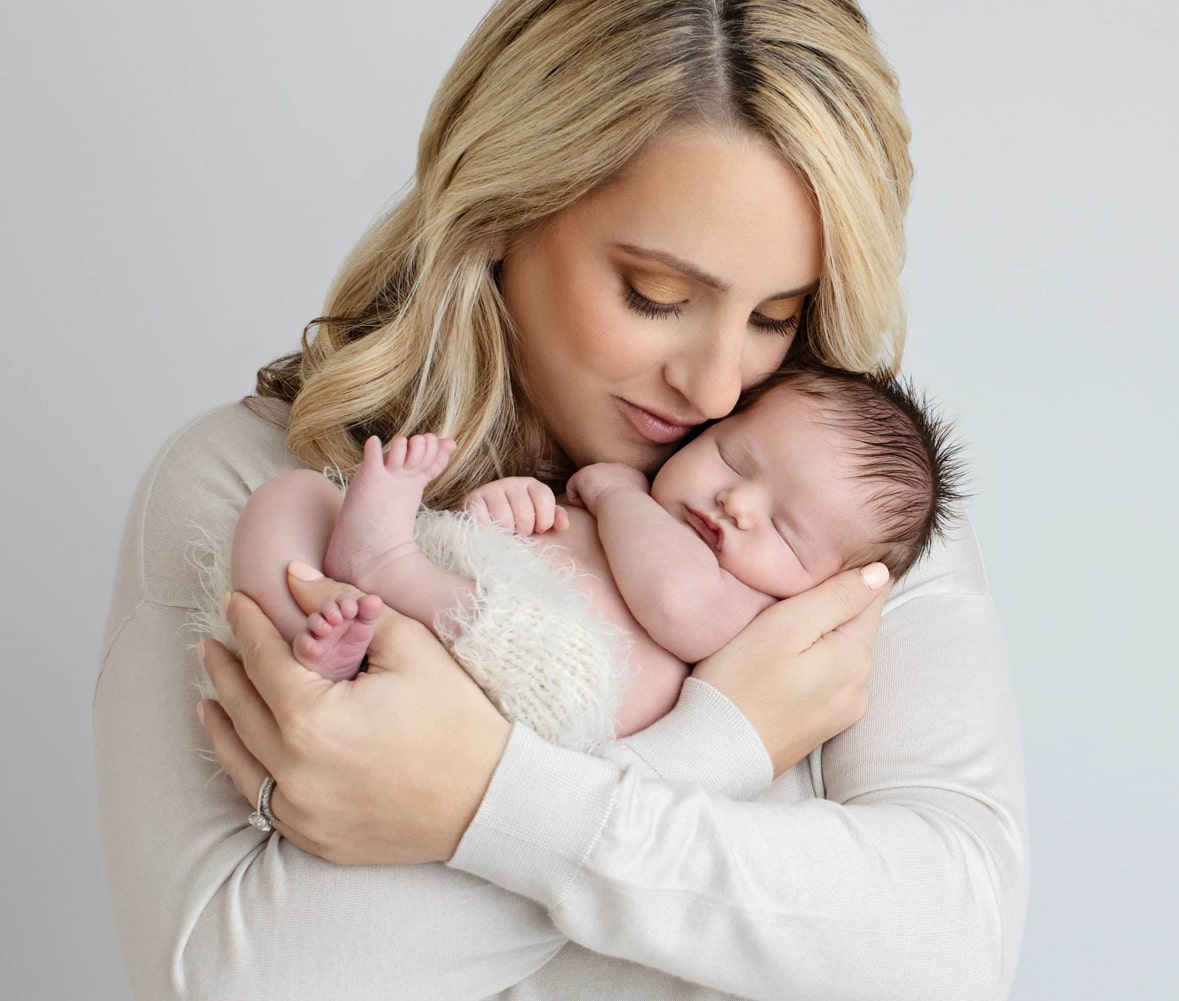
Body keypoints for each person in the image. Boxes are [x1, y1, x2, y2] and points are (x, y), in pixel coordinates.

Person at [93, 1, 1030, 998]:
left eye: (773, 316)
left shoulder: (844, 512)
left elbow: (951, 950)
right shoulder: (250, 482)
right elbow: (250, 983)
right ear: (500, 212)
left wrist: (478, 806)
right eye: (657, 296)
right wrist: (725, 739)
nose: (717, 390)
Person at [226, 365, 963, 749]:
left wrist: (615, 495)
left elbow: (675, 601)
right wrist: (513, 507)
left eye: (785, 529)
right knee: (289, 499)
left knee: (542, 644)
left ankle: (380, 565)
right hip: (426, 615)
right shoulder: (626, 501)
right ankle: (318, 646)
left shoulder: (750, 611)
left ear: (832, 588)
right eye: (733, 460)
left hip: (533, 689)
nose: (738, 505)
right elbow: (503, 542)